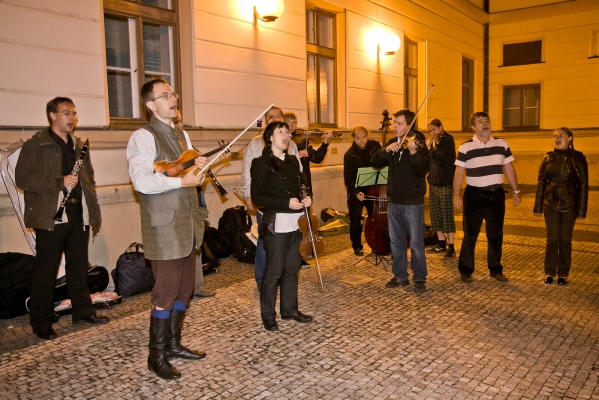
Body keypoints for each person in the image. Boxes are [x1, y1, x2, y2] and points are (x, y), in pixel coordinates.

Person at [127, 78, 209, 380]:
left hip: (187, 223)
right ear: (151, 105)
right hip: (164, 227)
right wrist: (180, 180)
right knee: (165, 291)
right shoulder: (142, 136)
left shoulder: (181, 134)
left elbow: (188, 173)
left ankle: (174, 345)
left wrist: (198, 166)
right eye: (164, 95)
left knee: (184, 289)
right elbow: (143, 181)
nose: (173, 98)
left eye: (173, 93)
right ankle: (156, 356)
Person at [15, 97, 108, 340]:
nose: (72, 118)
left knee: (79, 268)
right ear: (52, 115)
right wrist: (59, 182)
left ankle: (83, 311)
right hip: (51, 216)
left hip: (78, 214)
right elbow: (23, 179)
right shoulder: (36, 144)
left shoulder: (78, 144)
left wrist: (93, 209)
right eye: (67, 113)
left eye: (74, 114)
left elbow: (89, 179)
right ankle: (41, 322)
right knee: (46, 271)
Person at [250, 121, 313, 331]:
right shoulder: (260, 163)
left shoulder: (294, 160)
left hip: (295, 224)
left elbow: (303, 186)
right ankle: (268, 315)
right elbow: (258, 197)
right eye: (280, 132)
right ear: (270, 138)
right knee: (273, 271)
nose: (286, 136)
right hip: (276, 224)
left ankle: (290, 309)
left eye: (287, 132)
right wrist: (286, 203)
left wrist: (307, 198)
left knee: (292, 269)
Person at [453, 111, 521, 284]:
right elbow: (459, 173)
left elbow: (509, 168)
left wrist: (516, 191)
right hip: (474, 195)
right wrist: (456, 195)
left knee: (496, 234)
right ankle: (466, 270)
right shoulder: (466, 147)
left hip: (496, 196)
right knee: (470, 235)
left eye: (487, 121)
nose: (485, 124)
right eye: (480, 121)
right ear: (473, 127)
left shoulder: (502, 144)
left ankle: (496, 269)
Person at [240, 106, 302, 288]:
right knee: (265, 240)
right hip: (267, 203)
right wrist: (248, 195)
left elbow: (298, 171)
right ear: (265, 122)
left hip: (288, 204)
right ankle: (262, 279)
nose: (274, 119)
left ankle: (283, 276)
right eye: (270, 117)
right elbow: (246, 173)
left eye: (278, 116)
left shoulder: (291, 144)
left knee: (287, 243)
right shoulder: (255, 143)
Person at [371, 109, 429, 293]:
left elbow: (423, 170)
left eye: (399, 123)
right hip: (394, 200)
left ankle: (419, 277)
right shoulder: (392, 144)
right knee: (396, 242)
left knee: (416, 242)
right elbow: (375, 161)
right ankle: (400, 276)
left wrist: (413, 154)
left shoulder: (418, 144)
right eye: (394, 123)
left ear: (409, 126)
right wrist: (385, 150)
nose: (394, 126)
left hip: (412, 201)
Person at [533, 127, 588, 285]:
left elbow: (583, 185)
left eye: (561, 135)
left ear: (570, 138)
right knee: (552, 239)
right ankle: (549, 272)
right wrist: (538, 207)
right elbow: (541, 182)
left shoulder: (578, 158)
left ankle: (563, 273)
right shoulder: (548, 158)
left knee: (565, 240)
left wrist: (581, 210)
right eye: (555, 136)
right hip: (550, 203)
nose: (557, 138)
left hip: (569, 205)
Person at [173, 111, 216, 298]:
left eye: (180, 121)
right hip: (176, 203)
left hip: (193, 198)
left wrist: (201, 163)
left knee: (196, 242)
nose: (179, 125)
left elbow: (199, 176)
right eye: (175, 121)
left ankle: (196, 286)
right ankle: (180, 290)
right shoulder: (167, 146)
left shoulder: (189, 145)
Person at [343, 126, 382, 256]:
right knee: (355, 220)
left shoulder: (375, 146)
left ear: (367, 135)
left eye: (364, 137)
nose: (362, 141)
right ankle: (357, 246)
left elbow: (383, 163)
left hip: (373, 189)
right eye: (358, 138)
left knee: (375, 218)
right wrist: (356, 192)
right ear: (353, 138)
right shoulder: (349, 154)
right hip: (357, 190)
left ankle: (376, 244)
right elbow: (348, 178)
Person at [426, 119, 457, 257]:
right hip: (433, 181)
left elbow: (440, 159)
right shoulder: (433, 142)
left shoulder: (447, 140)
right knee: (435, 215)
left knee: (446, 215)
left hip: (444, 181)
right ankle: (440, 243)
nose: (432, 133)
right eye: (430, 130)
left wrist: (430, 149)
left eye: (433, 129)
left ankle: (451, 246)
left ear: (440, 127)